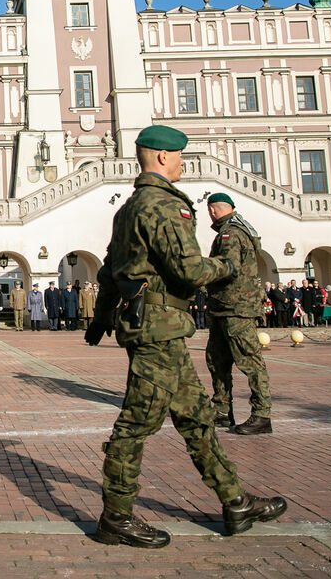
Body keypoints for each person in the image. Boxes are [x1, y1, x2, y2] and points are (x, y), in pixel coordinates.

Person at [86, 124, 285, 549]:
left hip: (160, 331)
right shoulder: (162, 206)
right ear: (161, 158)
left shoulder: (129, 208)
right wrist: (230, 266)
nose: (181, 163)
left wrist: (100, 319)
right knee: (136, 425)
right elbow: (189, 271)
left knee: (196, 419)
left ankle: (235, 501)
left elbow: (108, 270)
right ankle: (115, 518)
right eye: (179, 157)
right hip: (158, 330)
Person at [201, 193, 272, 435]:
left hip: (236, 307)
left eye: (210, 210)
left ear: (213, 210)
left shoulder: (230, 234)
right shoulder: (231, 230)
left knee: (249, 361)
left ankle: (262, 414)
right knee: (217, 361)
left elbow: (227, 268)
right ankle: (221, 410)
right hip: (224, 307)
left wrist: (198, 275)